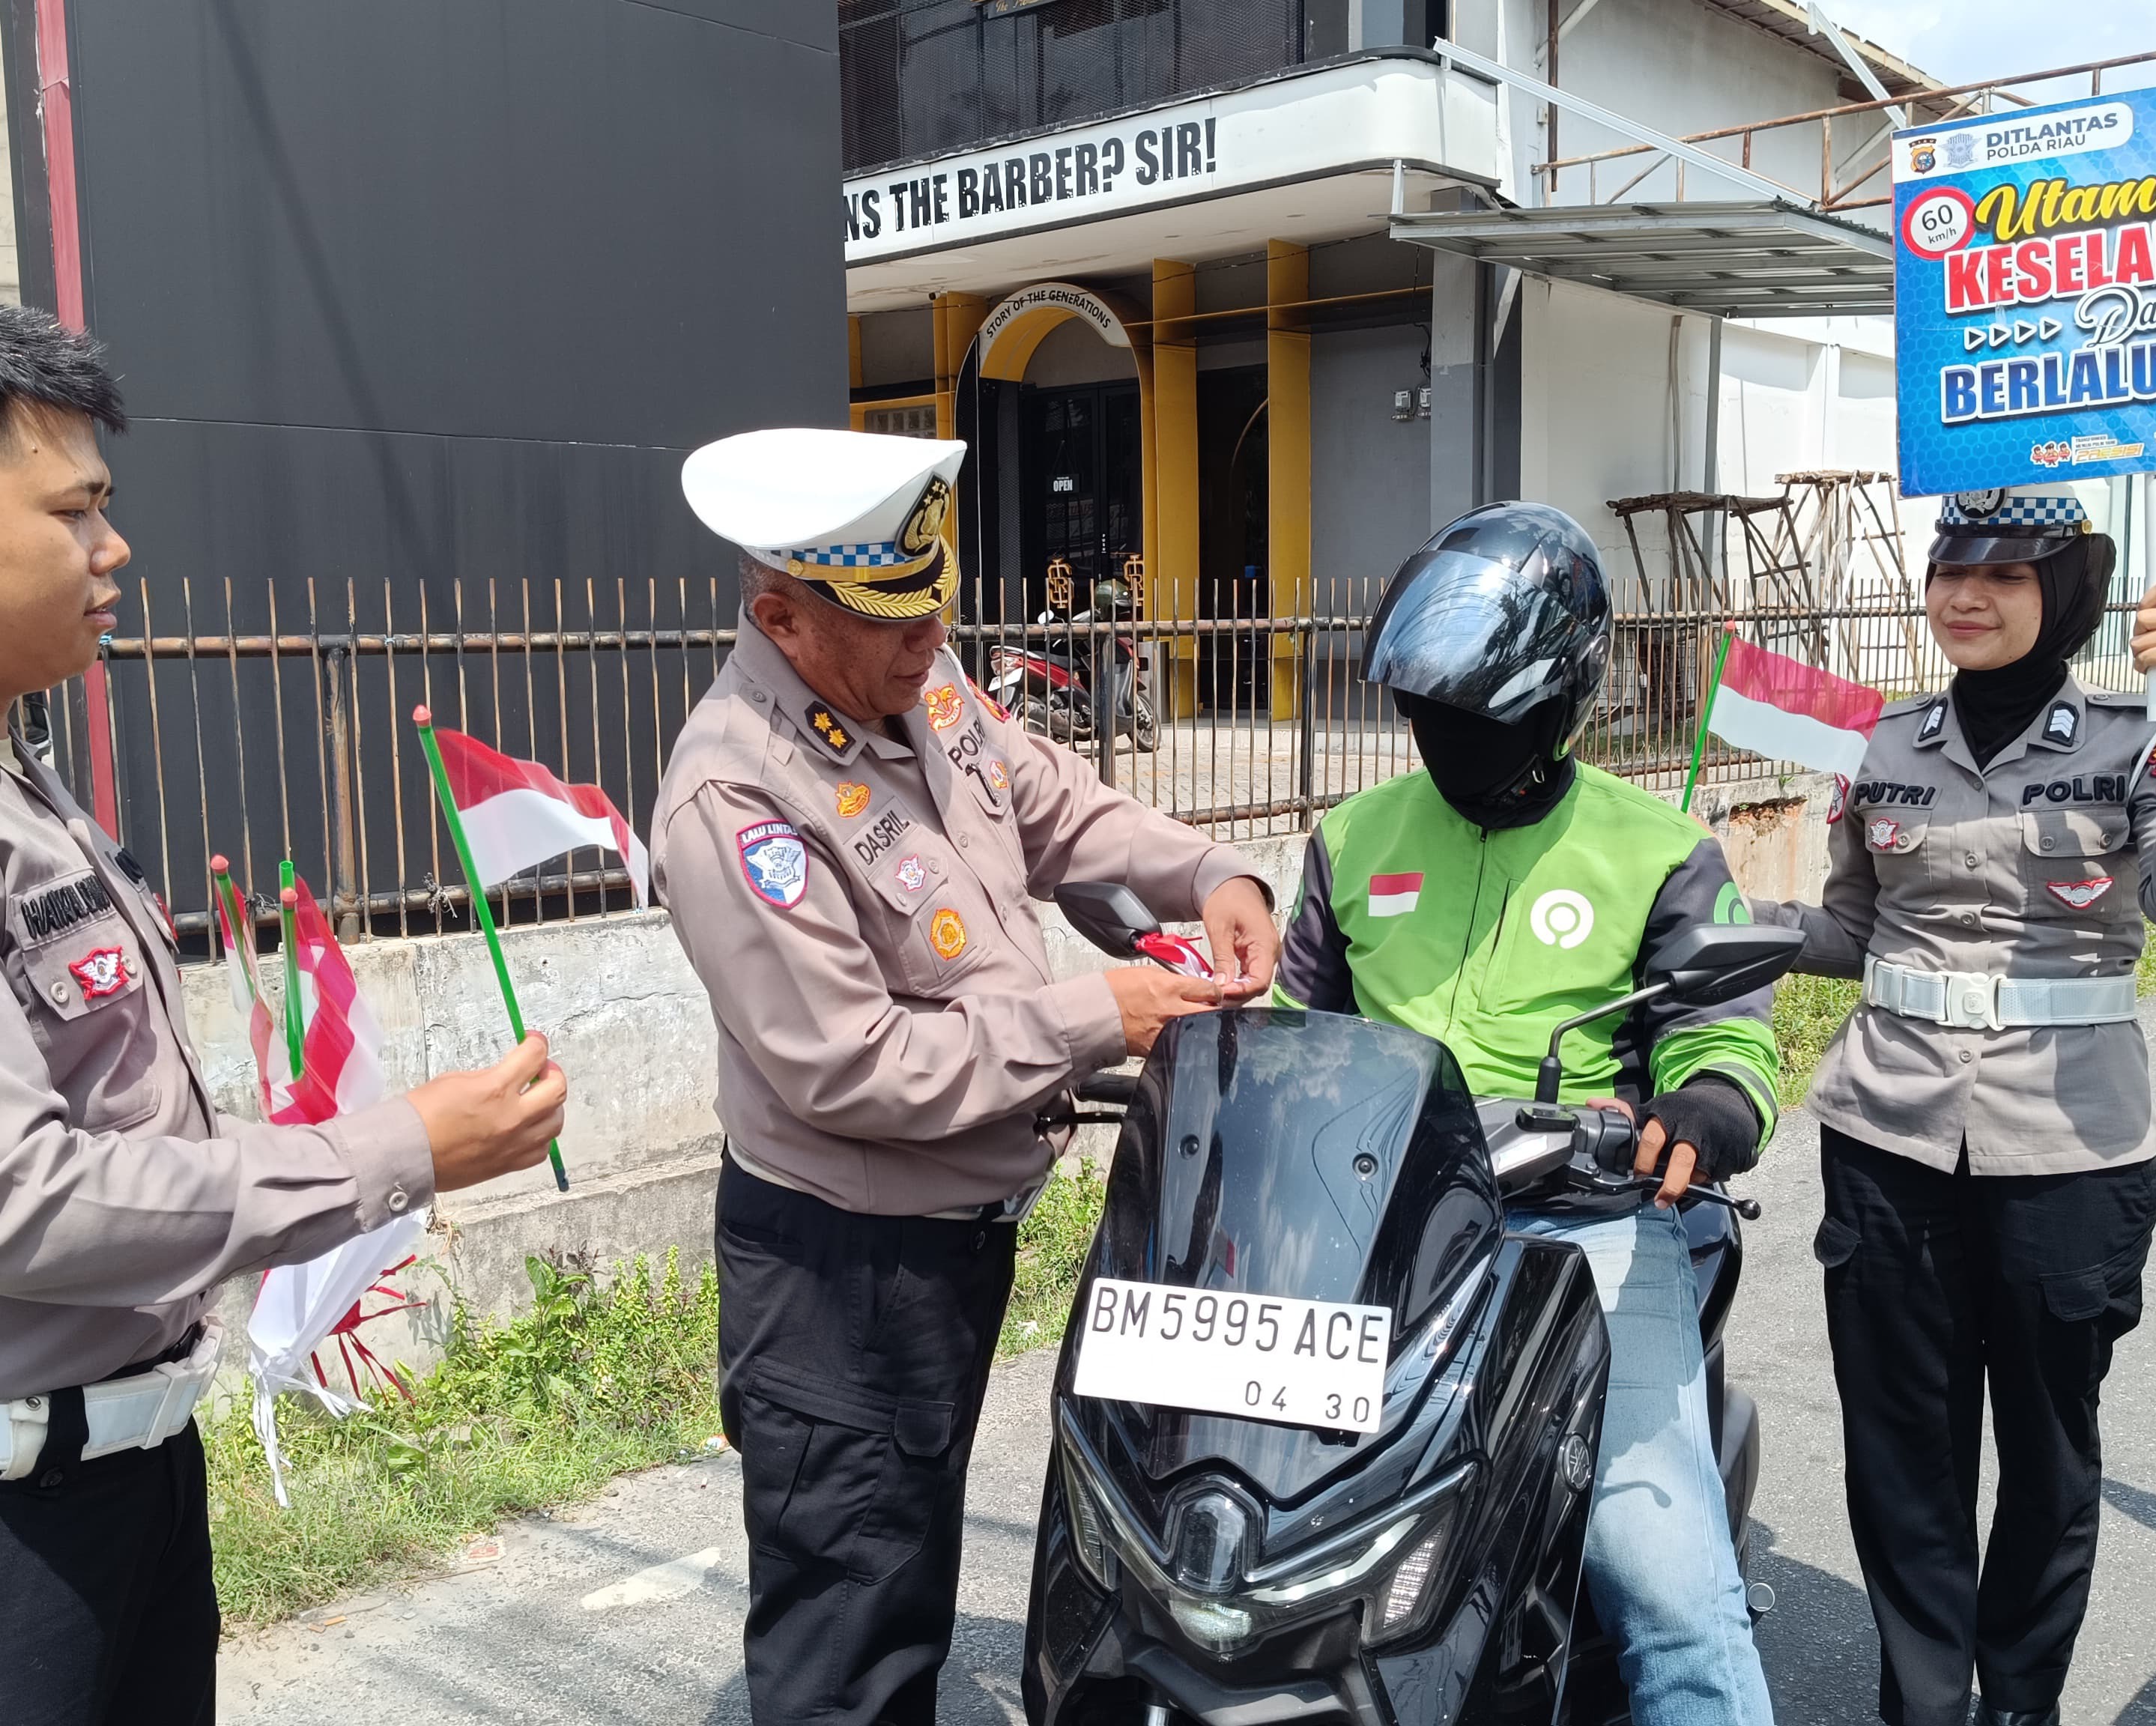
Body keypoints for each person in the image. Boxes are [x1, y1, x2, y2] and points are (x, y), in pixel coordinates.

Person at [652, 426, 1278, 1726]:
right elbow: (852, 1066)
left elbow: (1055, 805)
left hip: (949, 1243)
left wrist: (1210, 872)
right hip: (842, 1271)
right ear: (780, 616)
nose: (931, 640)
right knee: (850, 1634)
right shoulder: (738, 796)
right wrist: (1094, 1017)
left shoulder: (920, 682)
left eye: (934, 606)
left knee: (908, 1574)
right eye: (891, 621)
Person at [0, 306, 572, 1726]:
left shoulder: (29, 774)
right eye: (74, 511)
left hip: (132, 1470)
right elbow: (28, 1201)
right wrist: (391, 1151)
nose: (114, 548)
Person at [1274, 502, 1779, 1726]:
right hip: (1372, 1232)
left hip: (1583, 1233)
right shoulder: (1354, 838)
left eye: (1479, 714)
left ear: (1560, 706)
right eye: (1426, 709)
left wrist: (1701, 1110)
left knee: (1672, 1592)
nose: (1444, 735)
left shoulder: (1660, 850)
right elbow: (1294, 1038)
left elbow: (1723, 1042)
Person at [1755, 488, 2153, 1726]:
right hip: (1889, 1132)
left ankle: (2019, 1703)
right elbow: (1852, 928)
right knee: (1903, 1452)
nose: (1964, 598)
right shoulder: (1877, 742)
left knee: (2046, 1452)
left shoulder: (2136, 742)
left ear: (2066, 593)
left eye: (2005, 576)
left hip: (2071, 1145)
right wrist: (1724, 917)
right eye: (1948, 572)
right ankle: (1923, 1707)